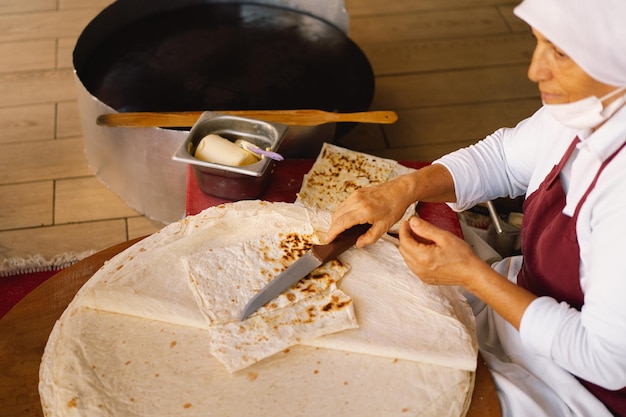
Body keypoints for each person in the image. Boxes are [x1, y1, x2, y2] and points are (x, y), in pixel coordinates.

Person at [326, 0, 626, 415]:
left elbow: (603, 359)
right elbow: (503, 158)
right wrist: (405, 188)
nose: (535, 70)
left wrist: (472, 275)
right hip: (516, 306)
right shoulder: (593, 104)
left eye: (560, 52)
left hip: (575, 388)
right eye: (538, 43)